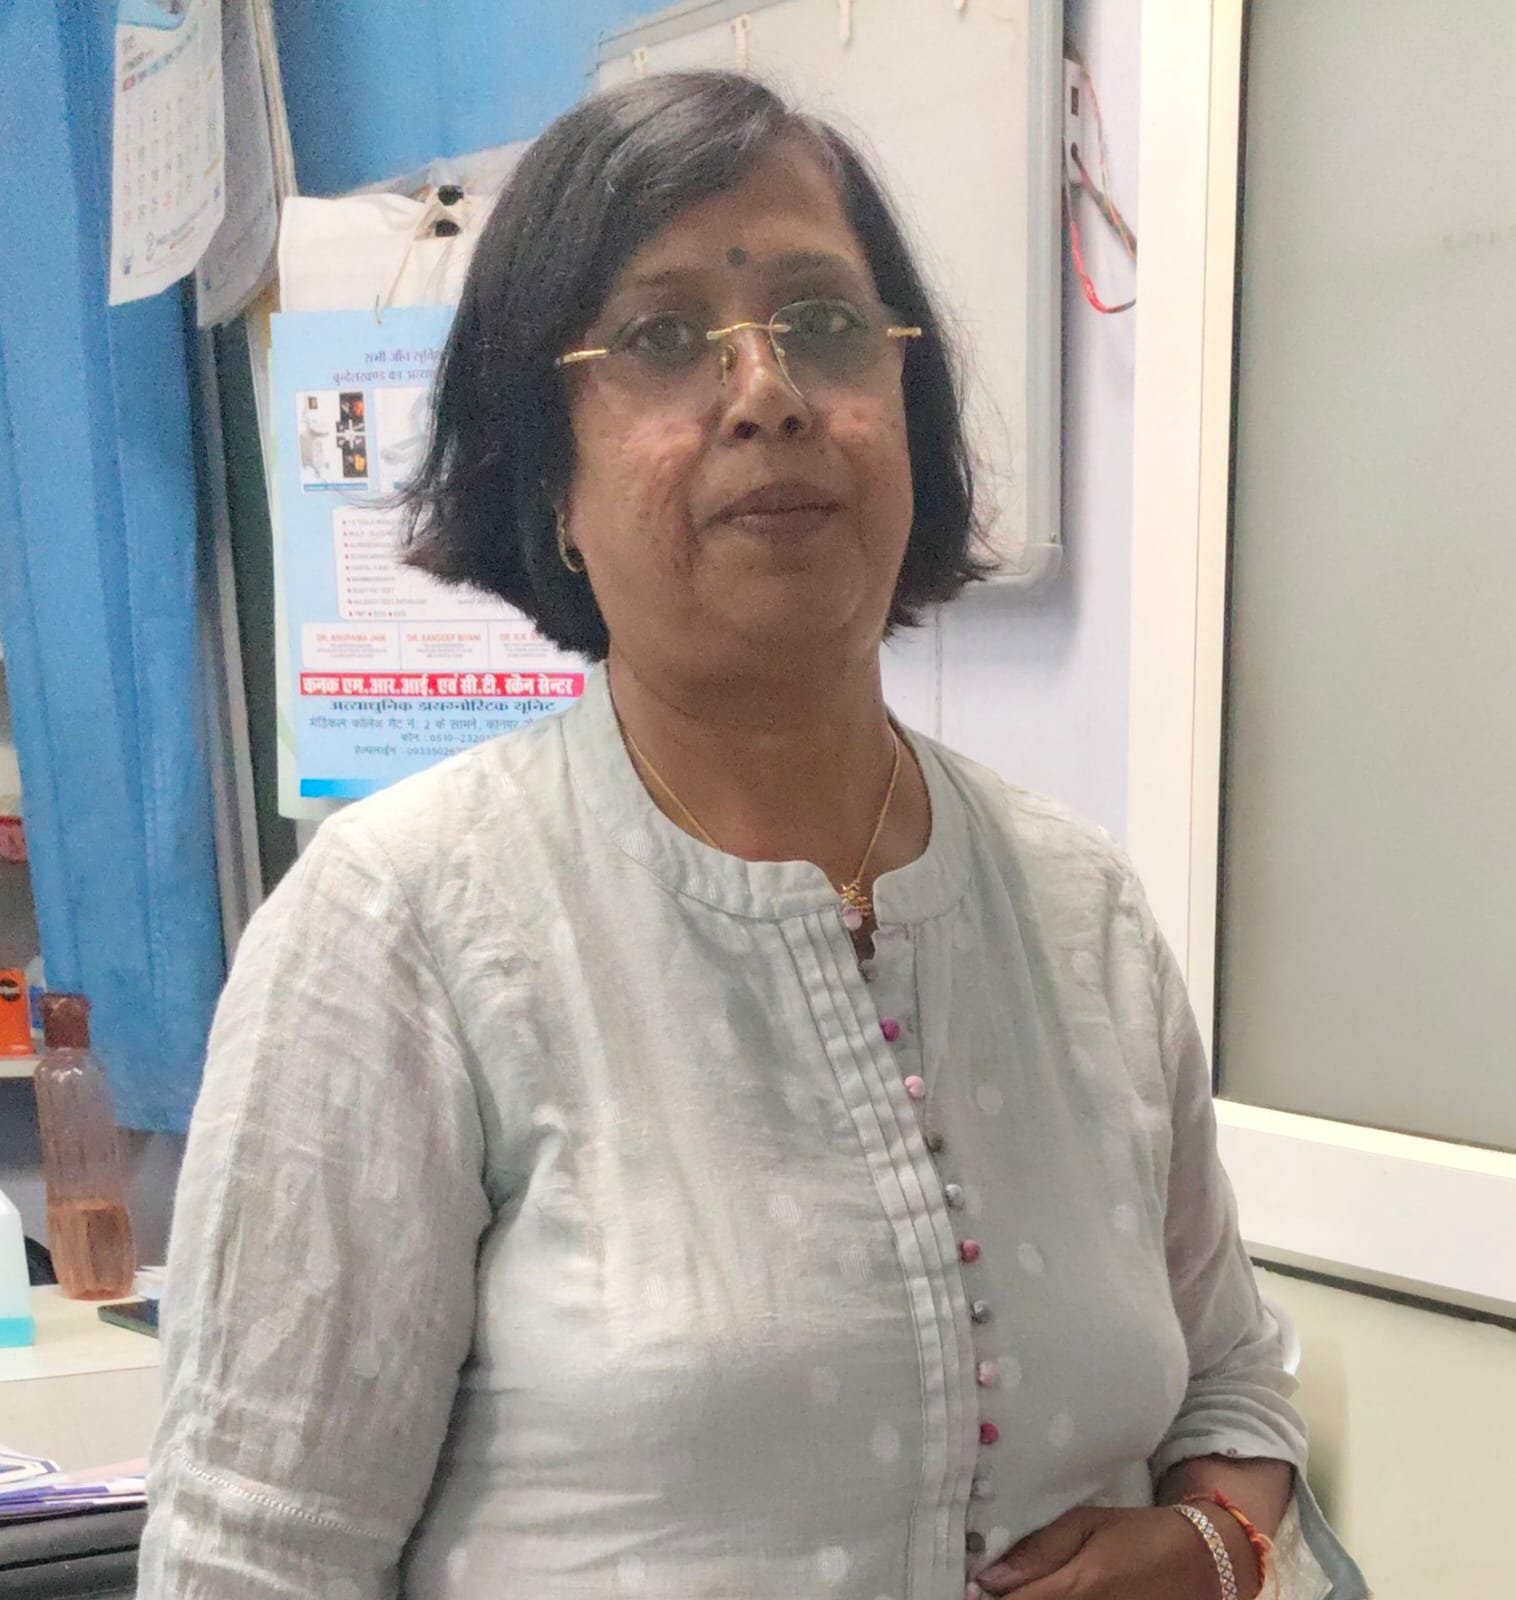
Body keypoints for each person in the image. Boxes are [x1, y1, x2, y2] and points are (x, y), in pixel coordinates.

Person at [139, 71, 1364, 1600]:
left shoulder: (1079, 912)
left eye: (827, 324)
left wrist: (1218, 1547)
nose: (768, 390)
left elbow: (1236, 1385)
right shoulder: (403, 934)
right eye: (663, 340)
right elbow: (252, 1559)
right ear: (547, 478)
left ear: (909, 421)